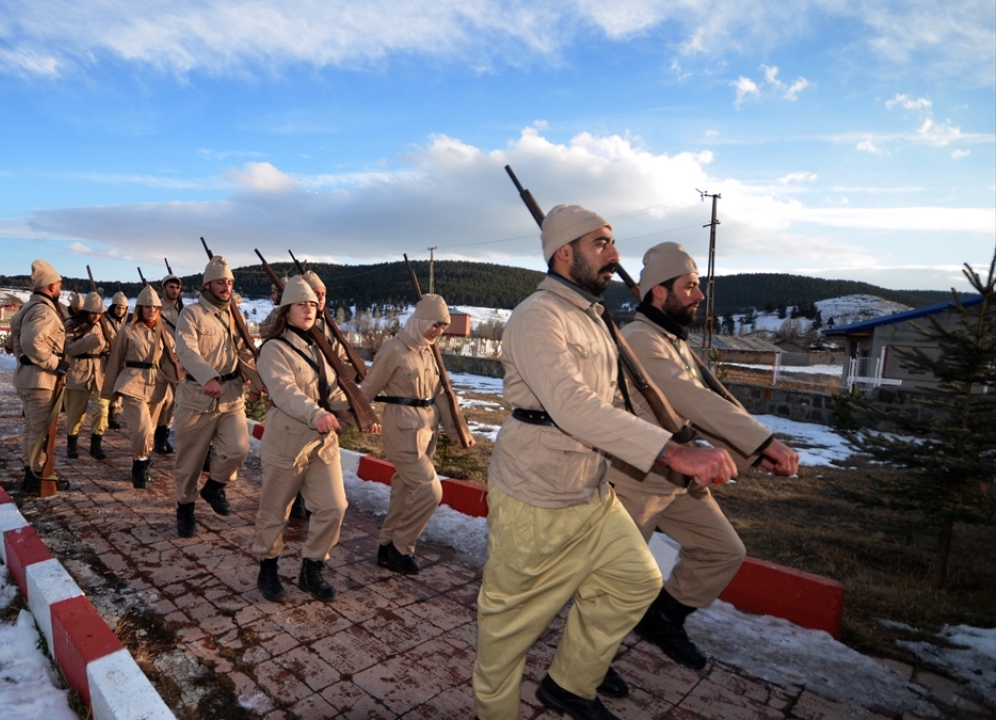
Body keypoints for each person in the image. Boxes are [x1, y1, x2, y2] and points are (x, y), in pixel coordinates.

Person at [473, 205, 738, 720]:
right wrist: (673, 451)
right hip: (537, 493)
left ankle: (570, 685)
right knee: (507, 631)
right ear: (564, 253)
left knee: (635, 581)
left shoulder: (592, 318)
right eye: (601, 244)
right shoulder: (538, 316)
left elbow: (612, 402)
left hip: (592, 488)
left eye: (613, 242)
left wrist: (674, 448)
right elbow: (573, 405)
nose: (615, 256)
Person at [609, 242, 800, 670]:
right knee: (614, 582)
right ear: (658, 292)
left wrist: (752, 453)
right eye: (691, 286)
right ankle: (584, 666)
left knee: (722, 551)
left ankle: (662, 620)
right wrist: (764, 442)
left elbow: (709, 407)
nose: (700, 296)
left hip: (680, 478)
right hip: (636, 480)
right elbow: (692, 399)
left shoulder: (670, 339)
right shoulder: (641, 340)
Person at [252, 277, 374, 601]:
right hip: (288, 438)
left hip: (323, 441)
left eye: (311, 304)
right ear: (286, 311)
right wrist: (316, 413)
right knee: (275, 510)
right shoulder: (273, 348)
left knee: (334, 506)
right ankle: (268, 567)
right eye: (300, 304)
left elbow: (333, 389)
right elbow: (285, 391)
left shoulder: (320, 347)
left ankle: (312, 567)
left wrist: (359, 414)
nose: (308, 309)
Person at [361, 293, 475, 575]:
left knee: (404, 489)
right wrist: (360, 418)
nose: (438, 332)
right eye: (434, 325)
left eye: (443, 327)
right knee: (429, 490)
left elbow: (440, 395)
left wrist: (458, 432)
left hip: (426, 432)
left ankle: (386, 545)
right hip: (401, 430)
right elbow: (366, 390)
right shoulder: (394, 349)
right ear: (420, 320)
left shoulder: (429, 352)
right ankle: (403, 546)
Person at [171, 256, 260, 538]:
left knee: (238, 450)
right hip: (197, 397)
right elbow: (185, 350)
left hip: (232, 395)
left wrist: (257, 382)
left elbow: (245, 352)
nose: (227, 286)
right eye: (221, 281)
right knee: (190, 463)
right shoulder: (192, 314)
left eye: (230, 282)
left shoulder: (237, 315)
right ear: (207, 284)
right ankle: (185, 506)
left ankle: (215, 486)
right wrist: (206, 375)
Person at [103, 285, 181, 488]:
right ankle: (139, 463)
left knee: (151, 429)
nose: (151, 310)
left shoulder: (163, 333)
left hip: (157, 385)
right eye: (147, 307)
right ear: (139, 308)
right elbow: (115, 360)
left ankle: (144, 459)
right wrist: (109, 392)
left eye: (155, 307)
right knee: (142, 429)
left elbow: (174, 358)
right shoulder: (128, 330)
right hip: (132, 383)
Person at [11, 260, 70, 493]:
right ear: (52, 286)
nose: (60, 289)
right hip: (41, 380)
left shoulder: (26, 309)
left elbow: (13, 341)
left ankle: (31, 471)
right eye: (59, 285)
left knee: (31, 428)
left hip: (28, 377)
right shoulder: (45, 311)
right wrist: (56, 364)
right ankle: (38, 476)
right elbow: (31, 342)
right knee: (40, 430)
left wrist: (23, 359)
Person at [63, 293, 112, 461]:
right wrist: (91, 341)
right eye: (93, 313)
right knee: (76, 413)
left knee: (102, 409)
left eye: (99, 313)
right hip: (78, 372)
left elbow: (108, 347)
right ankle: (72, 442)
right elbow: (69, 349)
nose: (96, 316)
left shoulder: (105, 326)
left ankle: (96, 443)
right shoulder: (71, 325)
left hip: (99, 373)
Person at [154, 275, 185, 453]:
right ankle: (154, 433)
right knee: (160, 399)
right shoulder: (156, 308)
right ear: (164, 288)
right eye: (171, 287)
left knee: (175, 401)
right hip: (160, 357)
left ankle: (162, 435)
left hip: (177, 359)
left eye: (177, 288)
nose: (174, 291)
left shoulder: (183, 310)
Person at [103, 291, 130, 429]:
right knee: (108, 385)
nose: (120, 311)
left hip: (121, 358)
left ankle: (116, 411)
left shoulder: (127, 323)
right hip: (106, 358)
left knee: (120, 387)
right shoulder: (104, 320)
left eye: (123, 308)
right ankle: (106, 410)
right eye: (118, 307)